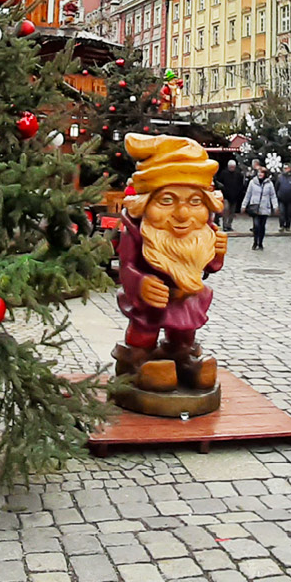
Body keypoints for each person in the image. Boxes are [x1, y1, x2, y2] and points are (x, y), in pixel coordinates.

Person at [112, 135, 229, 394]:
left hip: (185, 296)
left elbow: (207, 267)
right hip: (150, 301)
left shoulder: (202, 232)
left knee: (184, 331)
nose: (182, 214)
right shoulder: (136, 231)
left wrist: (217, 255)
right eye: (167, 201)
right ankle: (138, 359)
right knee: (144, 329)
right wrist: (141, 284)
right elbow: (126, 266)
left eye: (195, 202)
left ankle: (183, 358)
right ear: (147, 203)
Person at [242, 164, 278, 250]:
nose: (260, 174)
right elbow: (248, 194)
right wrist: (244, 205)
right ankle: (255, 242)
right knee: (256, 225)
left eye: (262, 173)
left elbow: (273, 195)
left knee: (262, 226)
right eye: (259, 172)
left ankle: (260, 242)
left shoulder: (269, 184)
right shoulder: (252, 182)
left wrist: (275, 206)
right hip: (255, 207)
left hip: (265, 207)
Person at [217, 159, 246, 232]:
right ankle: (225, 225)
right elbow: (219, 183)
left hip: (235, 196)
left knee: (232, 212)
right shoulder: (224, 173)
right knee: (226, 210)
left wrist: (239, 193)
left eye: (233, 167)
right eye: (230, 167)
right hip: (226, 195)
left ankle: (229, 225)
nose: (232, 168)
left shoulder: (238, 174)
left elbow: (241, 185)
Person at [276, 164, 291, 232]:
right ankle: (281, 226)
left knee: (289, 214)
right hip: (281, 199)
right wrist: (278, 195)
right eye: (284, 168)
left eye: (286, 168)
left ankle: (287, 226)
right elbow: (277, 187)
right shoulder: (280, 177)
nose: (284, 169)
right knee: (282, 213)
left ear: (290, 168)